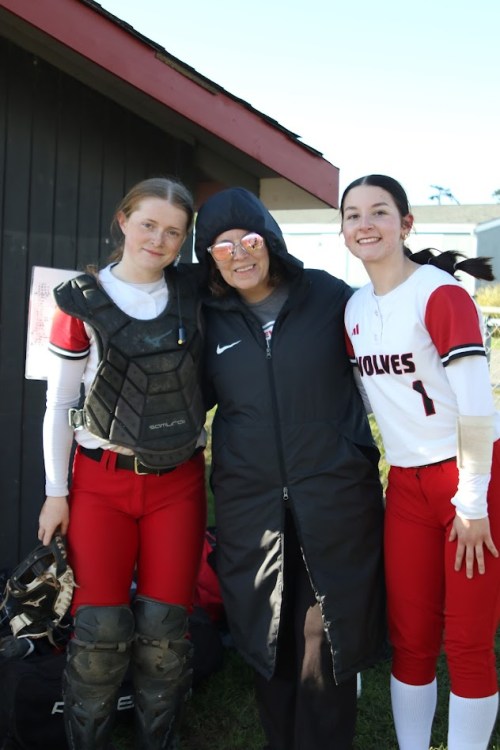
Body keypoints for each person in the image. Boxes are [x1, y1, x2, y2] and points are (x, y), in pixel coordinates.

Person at [194, 187, 387, 750]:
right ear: (209, 258)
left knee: (324, 638)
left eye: (250, 240)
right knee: (266, 636)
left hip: (333, 498)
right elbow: (181, 399)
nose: (239, 254)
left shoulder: (329, 297)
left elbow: (392, 343)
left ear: (272, 240)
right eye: (223, 246)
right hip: (250, 506)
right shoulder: (209, 318)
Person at [38, 177, 207, 750]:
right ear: (123, 221)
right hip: (100, 483)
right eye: (148, 224)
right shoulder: (80, 302)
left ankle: (159, 739)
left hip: (178, 482)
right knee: (99, 631)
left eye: (173, 232)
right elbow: (60, 402)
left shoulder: (193, 293)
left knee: (166, 633)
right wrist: (55, 491)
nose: (158, 240)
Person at [341, 173, 500, 750]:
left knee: (467, 643)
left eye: (379, 212)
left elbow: (478, 408)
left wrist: (473, 501)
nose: (365, 224)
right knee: (410, 638)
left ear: (405, 224)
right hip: (406, 483)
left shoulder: (439, 293)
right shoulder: (354, 308)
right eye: (353, 215)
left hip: (470, 475)